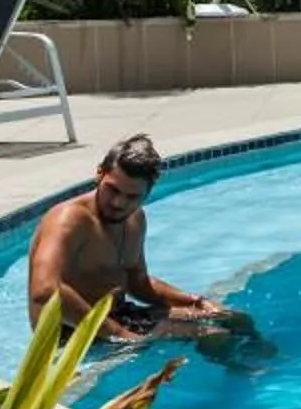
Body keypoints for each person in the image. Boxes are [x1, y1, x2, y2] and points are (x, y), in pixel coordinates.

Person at [27, 135, 249, 343]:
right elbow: (45, 290)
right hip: (74, 332)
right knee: (210, 334)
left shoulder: (134, 218)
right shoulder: (69, 220)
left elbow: (137, 282)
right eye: (112, 190)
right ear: (99, 174)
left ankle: (257, 375)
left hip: (119, 316)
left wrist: (196, 302)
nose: (119, 203)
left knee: (233, 318)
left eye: (132, 197)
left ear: (148, 193)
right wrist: (119, 334)